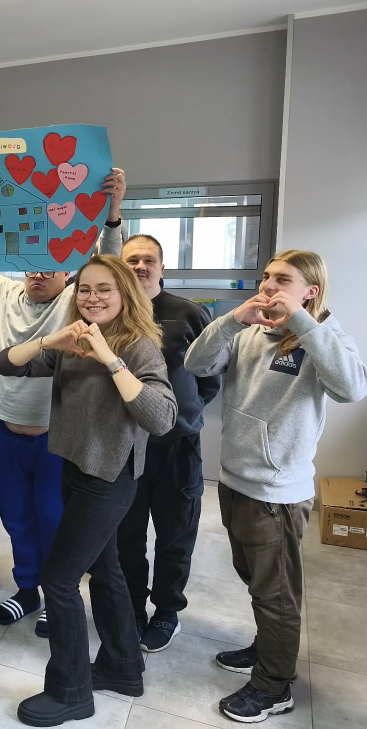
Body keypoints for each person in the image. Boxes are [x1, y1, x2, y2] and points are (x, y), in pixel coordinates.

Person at [0, 169, 127, 637]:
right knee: (15, 518)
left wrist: (112, 215)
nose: (39, 272)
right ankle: (28, 589)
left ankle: (57, 594)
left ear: (68, 272)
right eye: (33, 264)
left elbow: (110, 271)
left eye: (50, 266)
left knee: (53, 519)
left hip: (55, 437)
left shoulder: (74, 300)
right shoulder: (2, 290)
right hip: (3, 431)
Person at [184, 250, 367, 724]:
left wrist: (304, 324)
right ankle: (270, 647)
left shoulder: (324, 336)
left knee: (277, 594)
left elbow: (353, 388)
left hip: (276, 493)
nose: (268, 285)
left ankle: (274, 684)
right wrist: (232, 320)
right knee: (256, 579)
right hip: (234, 479)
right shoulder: (250, 331)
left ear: (310, 291)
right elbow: (197, 364)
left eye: (282, 279)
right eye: (266, 276)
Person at [0, 253, 177, 727]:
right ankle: (122, 667)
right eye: (86, 289)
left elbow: (160, 418)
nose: (92, 298)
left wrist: (110, 360)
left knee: (58, 581)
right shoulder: (72, 340)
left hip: (109, 479)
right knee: (106, 569)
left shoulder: (138, 346)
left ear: (125, 294)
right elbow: (5, 364)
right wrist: (50, 341)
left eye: (104, 289)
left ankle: (70, 691)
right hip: (75, 468)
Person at [116, 235, 223, 652]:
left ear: (163, 269)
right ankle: (131, 606)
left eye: (148, 260)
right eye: (132, 260)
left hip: (177, 446)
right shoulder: (112, 312)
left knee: (175, 534)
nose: (140, 266)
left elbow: (210, 378)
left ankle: (166, 611)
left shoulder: (190, 313)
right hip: (126, 445)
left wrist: (183, 412)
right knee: (126, 534)